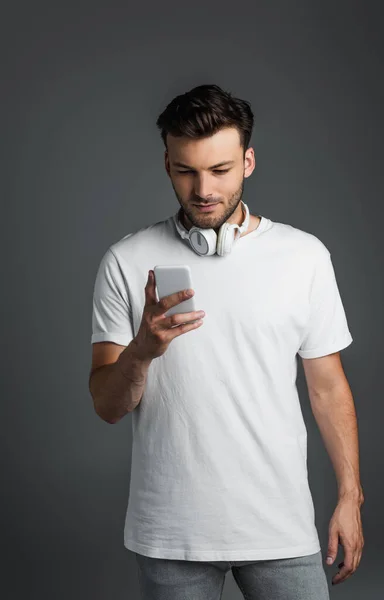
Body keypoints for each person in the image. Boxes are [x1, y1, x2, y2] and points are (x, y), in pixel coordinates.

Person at [89, 84, 364, 600]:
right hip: (171, 535)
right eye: (186, 170)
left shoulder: (304, 257)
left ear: (249, 161)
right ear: (167, 165)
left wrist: (350, 495)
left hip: (280, 526)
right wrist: (143, 351)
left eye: (220, 170)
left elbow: (327, 389)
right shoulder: (126, 261)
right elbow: (107, 406)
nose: (203, 190)